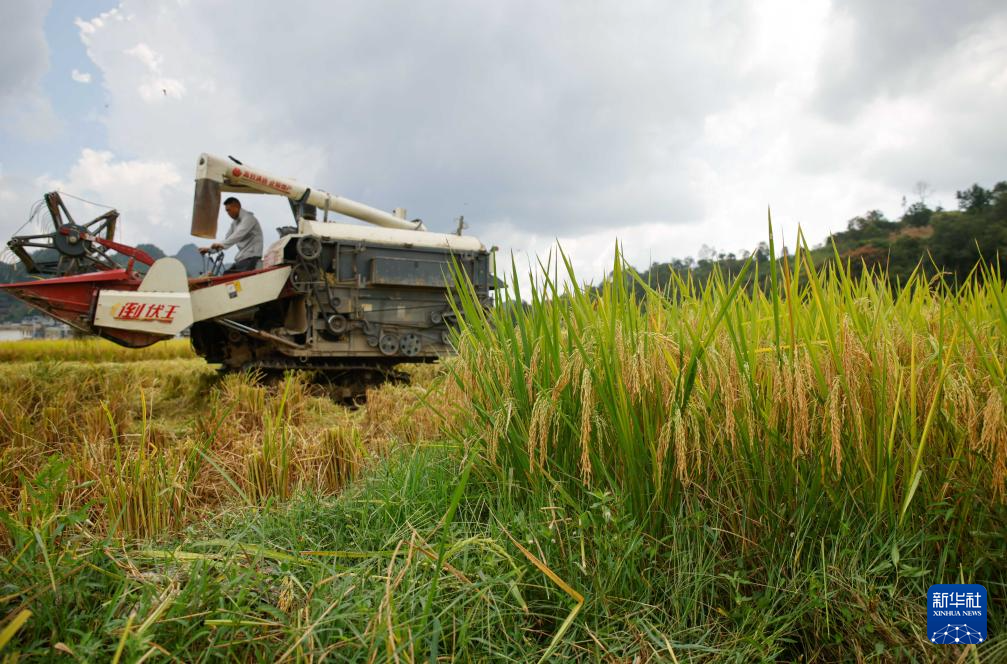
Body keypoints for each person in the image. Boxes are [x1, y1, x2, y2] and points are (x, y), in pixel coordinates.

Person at [199, 197, 263, 274]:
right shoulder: (234, 223)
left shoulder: (249, 218)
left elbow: (238, 235)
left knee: (228, 277)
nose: (228, 213)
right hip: (242, 259)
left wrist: (222, 245)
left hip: (252, 259)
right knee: (226, 275)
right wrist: (209, 250)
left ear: (237, 207)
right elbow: (227, 239)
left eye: (229, 210)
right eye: (226, 211)